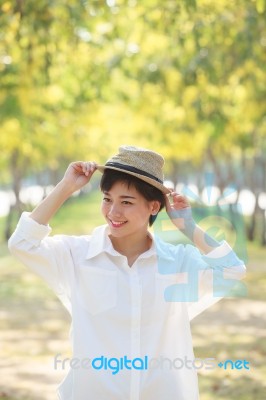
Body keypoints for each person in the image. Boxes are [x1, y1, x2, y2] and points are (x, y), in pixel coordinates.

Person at [8, 145, 246, 400]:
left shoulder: (177, 262)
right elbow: (22, 244)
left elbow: (231, 271)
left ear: (154, 207)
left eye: (127, 202)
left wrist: (188, 226)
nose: (113, 212)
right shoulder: (77, 255)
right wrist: (66, 186)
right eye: (108, 199)